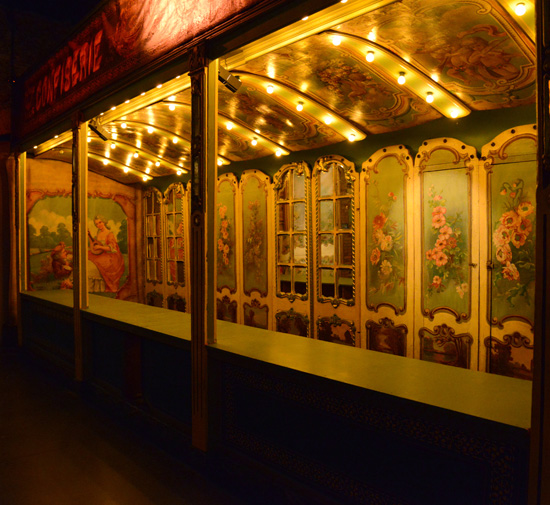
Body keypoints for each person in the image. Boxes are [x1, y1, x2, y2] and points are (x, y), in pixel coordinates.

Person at [88, 215, 125, 293]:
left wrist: (100, 248)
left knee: (98, 262)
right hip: (100, 253)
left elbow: (112, 248)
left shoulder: (109, 234)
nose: (99, 225)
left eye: (100, 222)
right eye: (96, 224)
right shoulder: (98, 232)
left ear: (104, 221)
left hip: (110, 256)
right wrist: (89, 235)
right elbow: (95, 244)